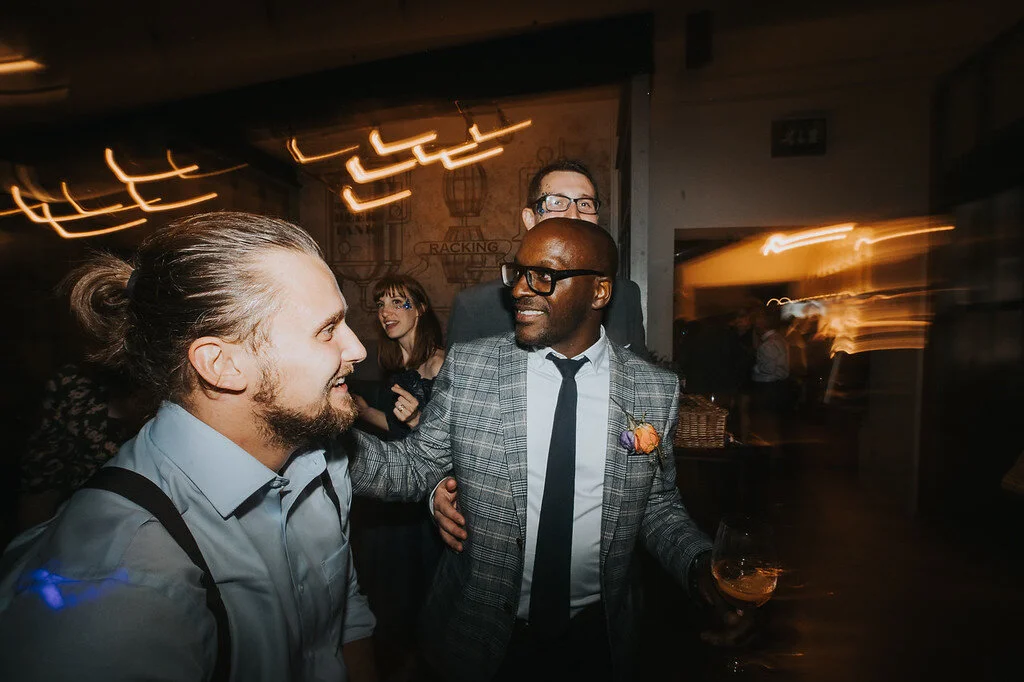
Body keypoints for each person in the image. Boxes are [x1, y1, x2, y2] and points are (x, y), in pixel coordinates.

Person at [347, 217, 742, 682]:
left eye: (543, 276)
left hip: (598, 639)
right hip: (481, 636)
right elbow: (412, 466)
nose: (519, 289)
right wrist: (325, 438)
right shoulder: (472, 367)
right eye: (518, 272)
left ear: (599, 292)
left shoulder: (653, 390)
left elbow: (655, 505)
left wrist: (700, 566)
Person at [0, 212, 377, 681]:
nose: (357, 349)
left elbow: (343, 617)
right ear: (222, 365)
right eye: (327, 329)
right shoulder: (121, 581)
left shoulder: (319, 462)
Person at [446, 159, 648, 358]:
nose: (573, 215)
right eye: (557, 202)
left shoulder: (624, 296)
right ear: (530, 219)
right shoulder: (476, 307)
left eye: (585, 204)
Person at [349, 274, 446, 682]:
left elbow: (450, 443)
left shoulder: (441, 363)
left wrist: (420, 419)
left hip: (429, 497)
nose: (386, 312)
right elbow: (397, 427)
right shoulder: (398, 365)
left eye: (397, 302)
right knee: (388, 584)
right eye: (381, 305)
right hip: (398, 488)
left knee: (422, 590)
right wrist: (361, 410)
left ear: (420, 308)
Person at [16, 361, 155, 531]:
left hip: (138, 526)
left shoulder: (169, 398)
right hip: (67, 524)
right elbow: (40, 478)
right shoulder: (72, 384)